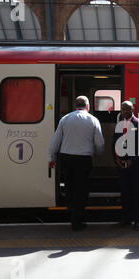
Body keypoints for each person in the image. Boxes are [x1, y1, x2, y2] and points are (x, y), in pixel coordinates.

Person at [49, 96, 104, 231]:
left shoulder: (65, 119)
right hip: (84, 159)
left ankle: (72, 213)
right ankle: (78, 220)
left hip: (66, 158)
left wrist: (52, 158)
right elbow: (100, 143)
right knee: (81, 190)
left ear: (75, 105)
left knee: (70, 188)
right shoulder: (93, 120)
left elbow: (55, 141)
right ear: (88, 106)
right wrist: (98, 153)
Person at [113, 101, 139, 231]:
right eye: (123, 109)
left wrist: (132, 160)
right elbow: (114, 142)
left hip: (136, 164)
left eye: (127, 109)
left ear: (132, 109)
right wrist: (116, 159)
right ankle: (126, 218)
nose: (125, 111)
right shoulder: (119, 124)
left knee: (137, 192)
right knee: (125, 192)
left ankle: (137, 220)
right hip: (121, 164)